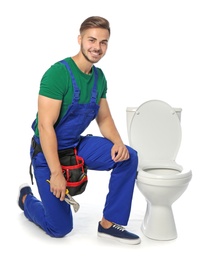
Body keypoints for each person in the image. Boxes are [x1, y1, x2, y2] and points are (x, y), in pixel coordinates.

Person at [18, 16, 141, 245]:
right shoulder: (58, 74)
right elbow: (45, 127)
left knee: (128, 157)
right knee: (60, 228)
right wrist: (56, 173)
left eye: (103, 42)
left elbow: (103, 118)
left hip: (75, 146)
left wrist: (119, 143)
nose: (97, 47)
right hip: (47, 153)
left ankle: (108, 224)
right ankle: (26, 199)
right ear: (80, 39)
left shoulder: (99, 77)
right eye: (92, 40)